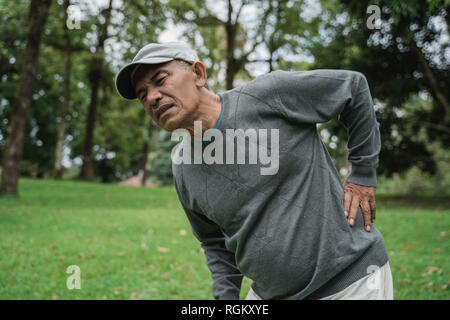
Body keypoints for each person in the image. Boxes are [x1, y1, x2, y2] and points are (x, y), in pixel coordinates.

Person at [115, 41, 393, 300]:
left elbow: (353, 88)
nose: (152, 97)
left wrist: (362, 174)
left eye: (160, 80)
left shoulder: (269, 95)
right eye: (142, 96)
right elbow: (214, 241)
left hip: (353, 282)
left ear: (198, 73)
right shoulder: (183, 168)